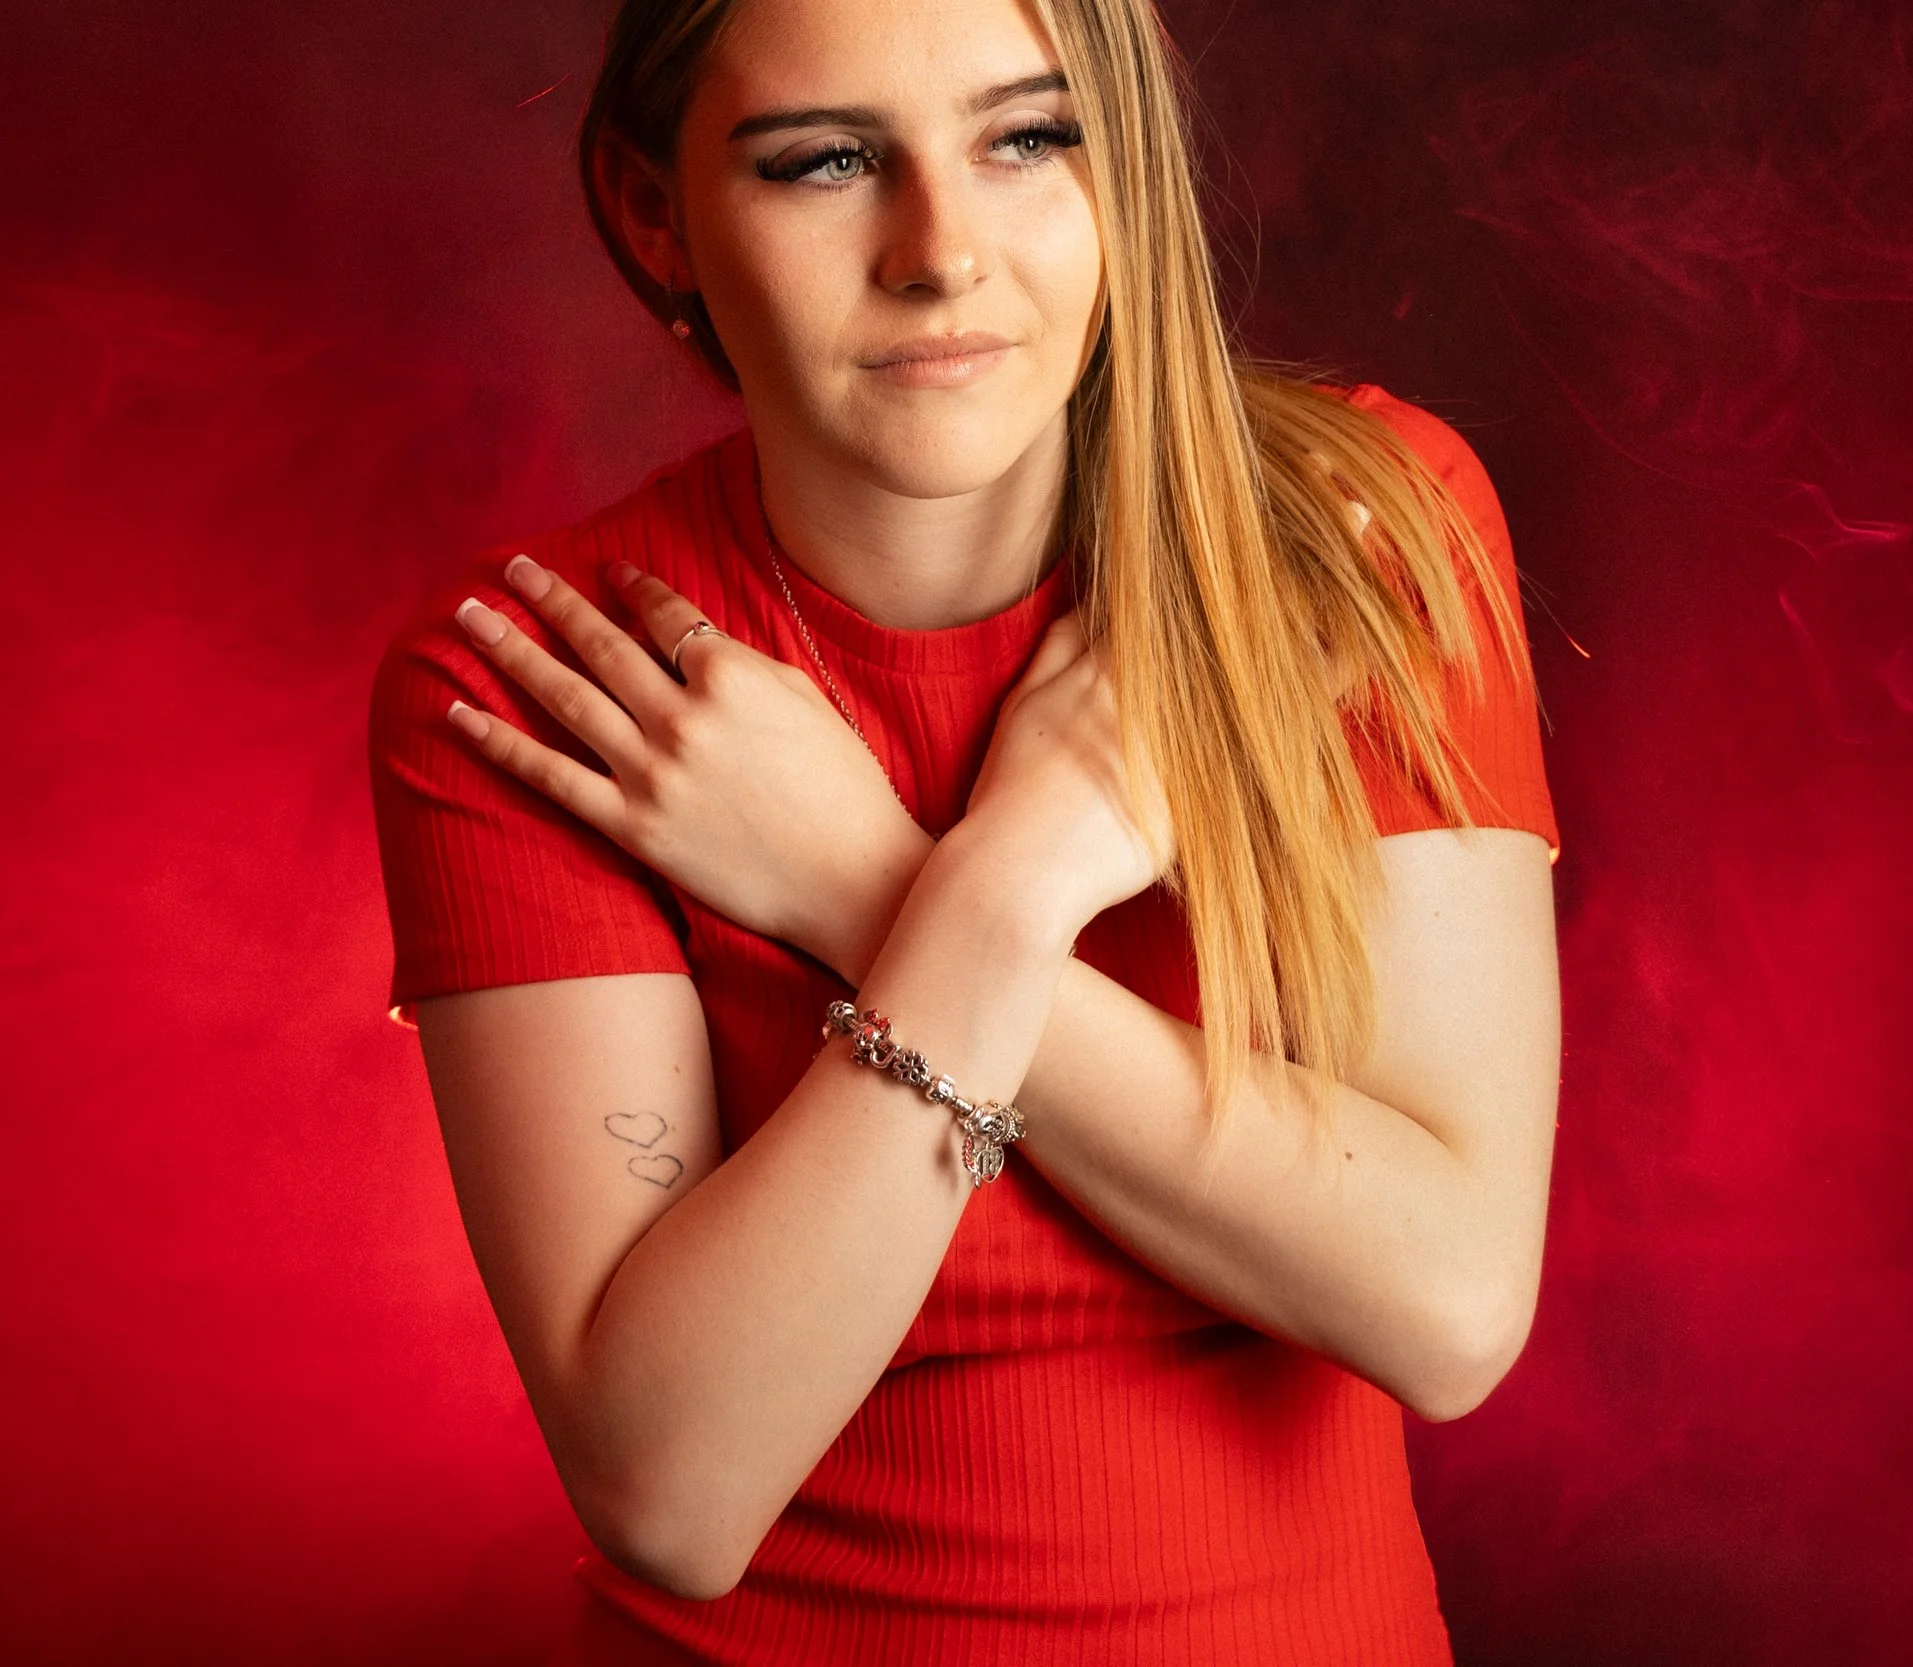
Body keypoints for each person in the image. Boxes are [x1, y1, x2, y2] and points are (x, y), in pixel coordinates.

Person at [367, 0, 1562, 1658]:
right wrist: (1002, 894)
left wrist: (878, 881)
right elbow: (672, 1483)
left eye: (1029, 137)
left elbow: (1445, 1303)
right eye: (829, 160)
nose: (942, 253)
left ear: (1126, 162)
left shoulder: (1351, 539)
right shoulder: (554, 690)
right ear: (656, 212)